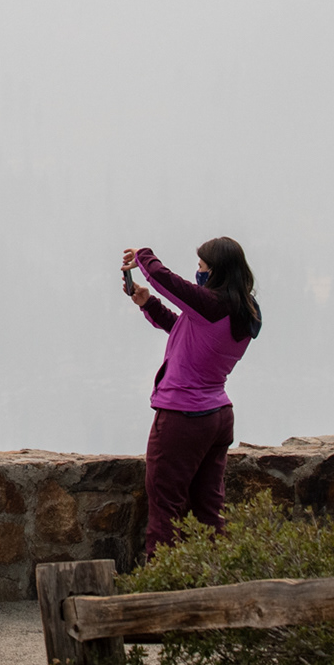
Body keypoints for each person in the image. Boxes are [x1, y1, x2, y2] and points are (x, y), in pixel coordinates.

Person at [122, 237, 262, 558]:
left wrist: (142, 256)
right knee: (208, 509)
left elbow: (163, 280)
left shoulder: (212, 306)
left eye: (201, 267)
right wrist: (148, 304)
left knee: (165, 504)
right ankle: (215, 576)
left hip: (182, 417)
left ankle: (163, 584)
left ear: (216, 272)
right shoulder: (243, 311)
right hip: (218, 415)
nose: (197, 273)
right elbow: (182, 329)